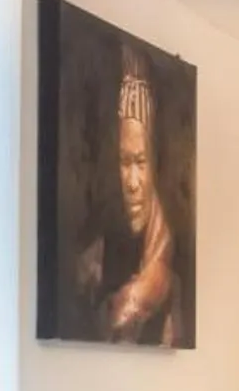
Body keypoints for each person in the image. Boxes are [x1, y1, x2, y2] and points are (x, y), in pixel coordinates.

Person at [74, 51, 180, 345]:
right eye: (124, 162)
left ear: (155, 167)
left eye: (141, 162)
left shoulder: (170, 279)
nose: (132, 183)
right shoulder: (93, 257)